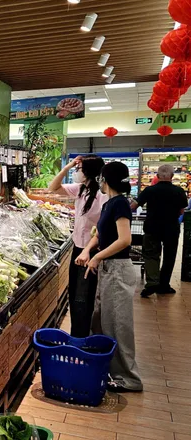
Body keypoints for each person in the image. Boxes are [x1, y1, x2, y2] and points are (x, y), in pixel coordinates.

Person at [76, 161, 142, 392]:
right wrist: (87, 250)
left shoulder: (120, 204)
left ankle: (129, 379)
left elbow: (125, 240)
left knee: (117, 324)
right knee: (102, 321)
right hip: (107, 268)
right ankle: (106, 368)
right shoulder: (108, 204)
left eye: (101, 178)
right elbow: (99, 234)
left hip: (118, 269)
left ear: (106, 180)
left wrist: (97, 257)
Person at [48, 155, 106, 337]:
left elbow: (102, 228)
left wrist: (88, 251)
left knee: (84, 297)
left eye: (78, 169)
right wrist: (67, 167)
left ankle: (82, 337)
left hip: (90, 251)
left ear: (87, 172)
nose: (76, 172)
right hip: (78, 249)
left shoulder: (101, 195)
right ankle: (77, 335)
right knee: (75, 294)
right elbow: (52, 187)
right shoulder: (81, 189)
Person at [131, 164, 187, 297]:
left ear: (157, 176)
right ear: (172, 176)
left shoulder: (149, 190)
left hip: (152, 227)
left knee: (151, 255)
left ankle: (152, 282)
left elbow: (133, 206)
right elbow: (181, 211)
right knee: (169, 257)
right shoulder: (179, 191)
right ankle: (164, 285)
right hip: (171, 228)